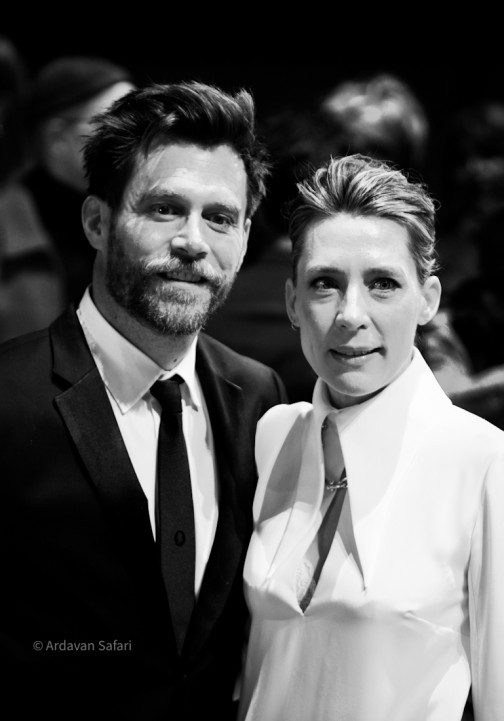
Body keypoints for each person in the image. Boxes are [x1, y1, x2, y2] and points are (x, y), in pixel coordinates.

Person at [0, 80, 287, 721]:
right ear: (97, 222)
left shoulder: (259, 397)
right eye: (163, 209)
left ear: (245, 238)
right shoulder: (8, 396)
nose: (193, 241)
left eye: (220, 218)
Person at [237, 154, 504, 721]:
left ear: (428, 299)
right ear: (292, 302)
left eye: (383, 284)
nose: (349, 314)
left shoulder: (481, 460)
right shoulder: (274, 434)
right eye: (325, 284)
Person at [17, 55, 136, 305]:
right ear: (57, 137)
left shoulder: (128, 208)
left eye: (140, 126)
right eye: (116, 128)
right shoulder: (13, 223)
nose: (136, 144)